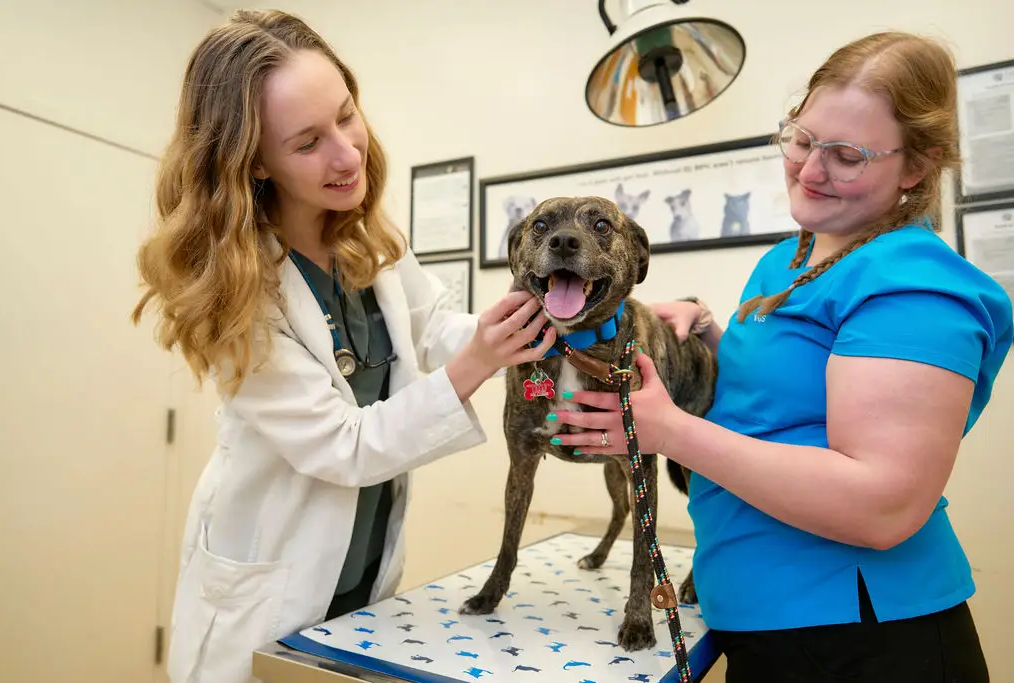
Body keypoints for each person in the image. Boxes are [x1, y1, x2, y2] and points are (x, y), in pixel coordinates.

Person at [552, 31, 1012, 682]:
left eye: (847, 155)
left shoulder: (916, 289)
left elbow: (882, 504)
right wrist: (708, 334)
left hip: (862, 642)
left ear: (916, 166)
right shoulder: (793, 256)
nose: (810, 169)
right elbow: (787, 395)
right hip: (763, 623)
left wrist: (669, 430)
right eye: (801, 139)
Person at [131, 9, 556, 683]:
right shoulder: (238, 295)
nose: (348, 152)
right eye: (307, 142)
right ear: (255, 163)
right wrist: (481, 361)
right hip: (265, 600)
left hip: (359, 586)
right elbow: (346, 445)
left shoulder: (366, 238)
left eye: (347, 115)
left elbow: (435, 326)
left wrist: (528, 322)